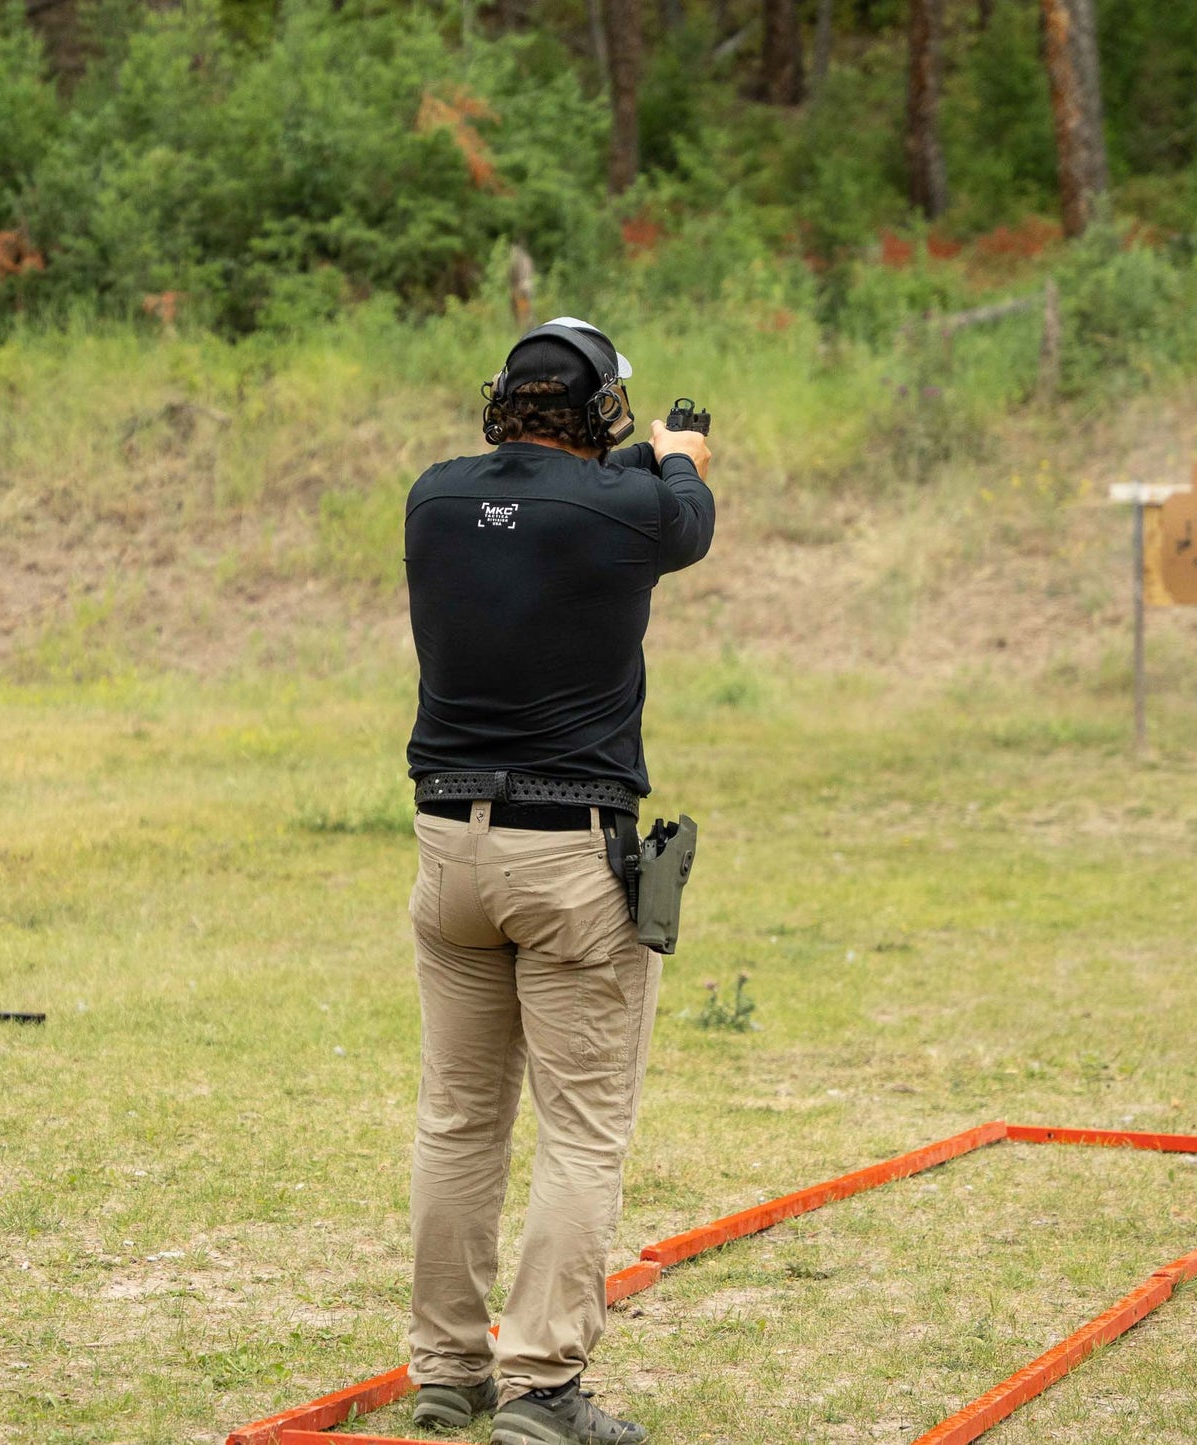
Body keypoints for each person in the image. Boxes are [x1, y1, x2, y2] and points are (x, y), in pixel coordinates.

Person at [402, 317, 714, 1445]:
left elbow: (547, 491)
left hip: (448, 852)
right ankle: (540, 1387)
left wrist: (637, 458)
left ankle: (445, 1370)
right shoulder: (634, 510)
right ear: (599, 412)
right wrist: (679, 449)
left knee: (456, 1121)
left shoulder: (433, 497)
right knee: (580, 1131)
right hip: (568, 856)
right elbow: (684, 517)